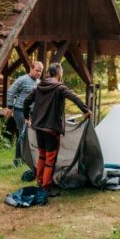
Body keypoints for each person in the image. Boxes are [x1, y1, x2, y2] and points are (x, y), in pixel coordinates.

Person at [23, 62, 91, 196]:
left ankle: (40, 180)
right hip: (51, 130)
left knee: (42, 155)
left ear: (49, 72)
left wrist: (27, 118)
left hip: (38, 128)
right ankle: (46, 187)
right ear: (59, 73)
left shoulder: (39, 86)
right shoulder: (59, 87)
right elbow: (74, 97)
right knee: (50, 159)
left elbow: (26, 101)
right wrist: (86, 110)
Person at [5, 61, 43, 167]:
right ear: (31, 69)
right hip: (19, 111)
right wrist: (9, 107)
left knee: (29, 135)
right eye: (37, 70)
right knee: (22, 133)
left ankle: (26, 158)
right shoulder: (22, 79)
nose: (39, 73)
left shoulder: (39, 82)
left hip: (32, 114)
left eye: (40, 71)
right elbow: (11, 92)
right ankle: (17, 160)